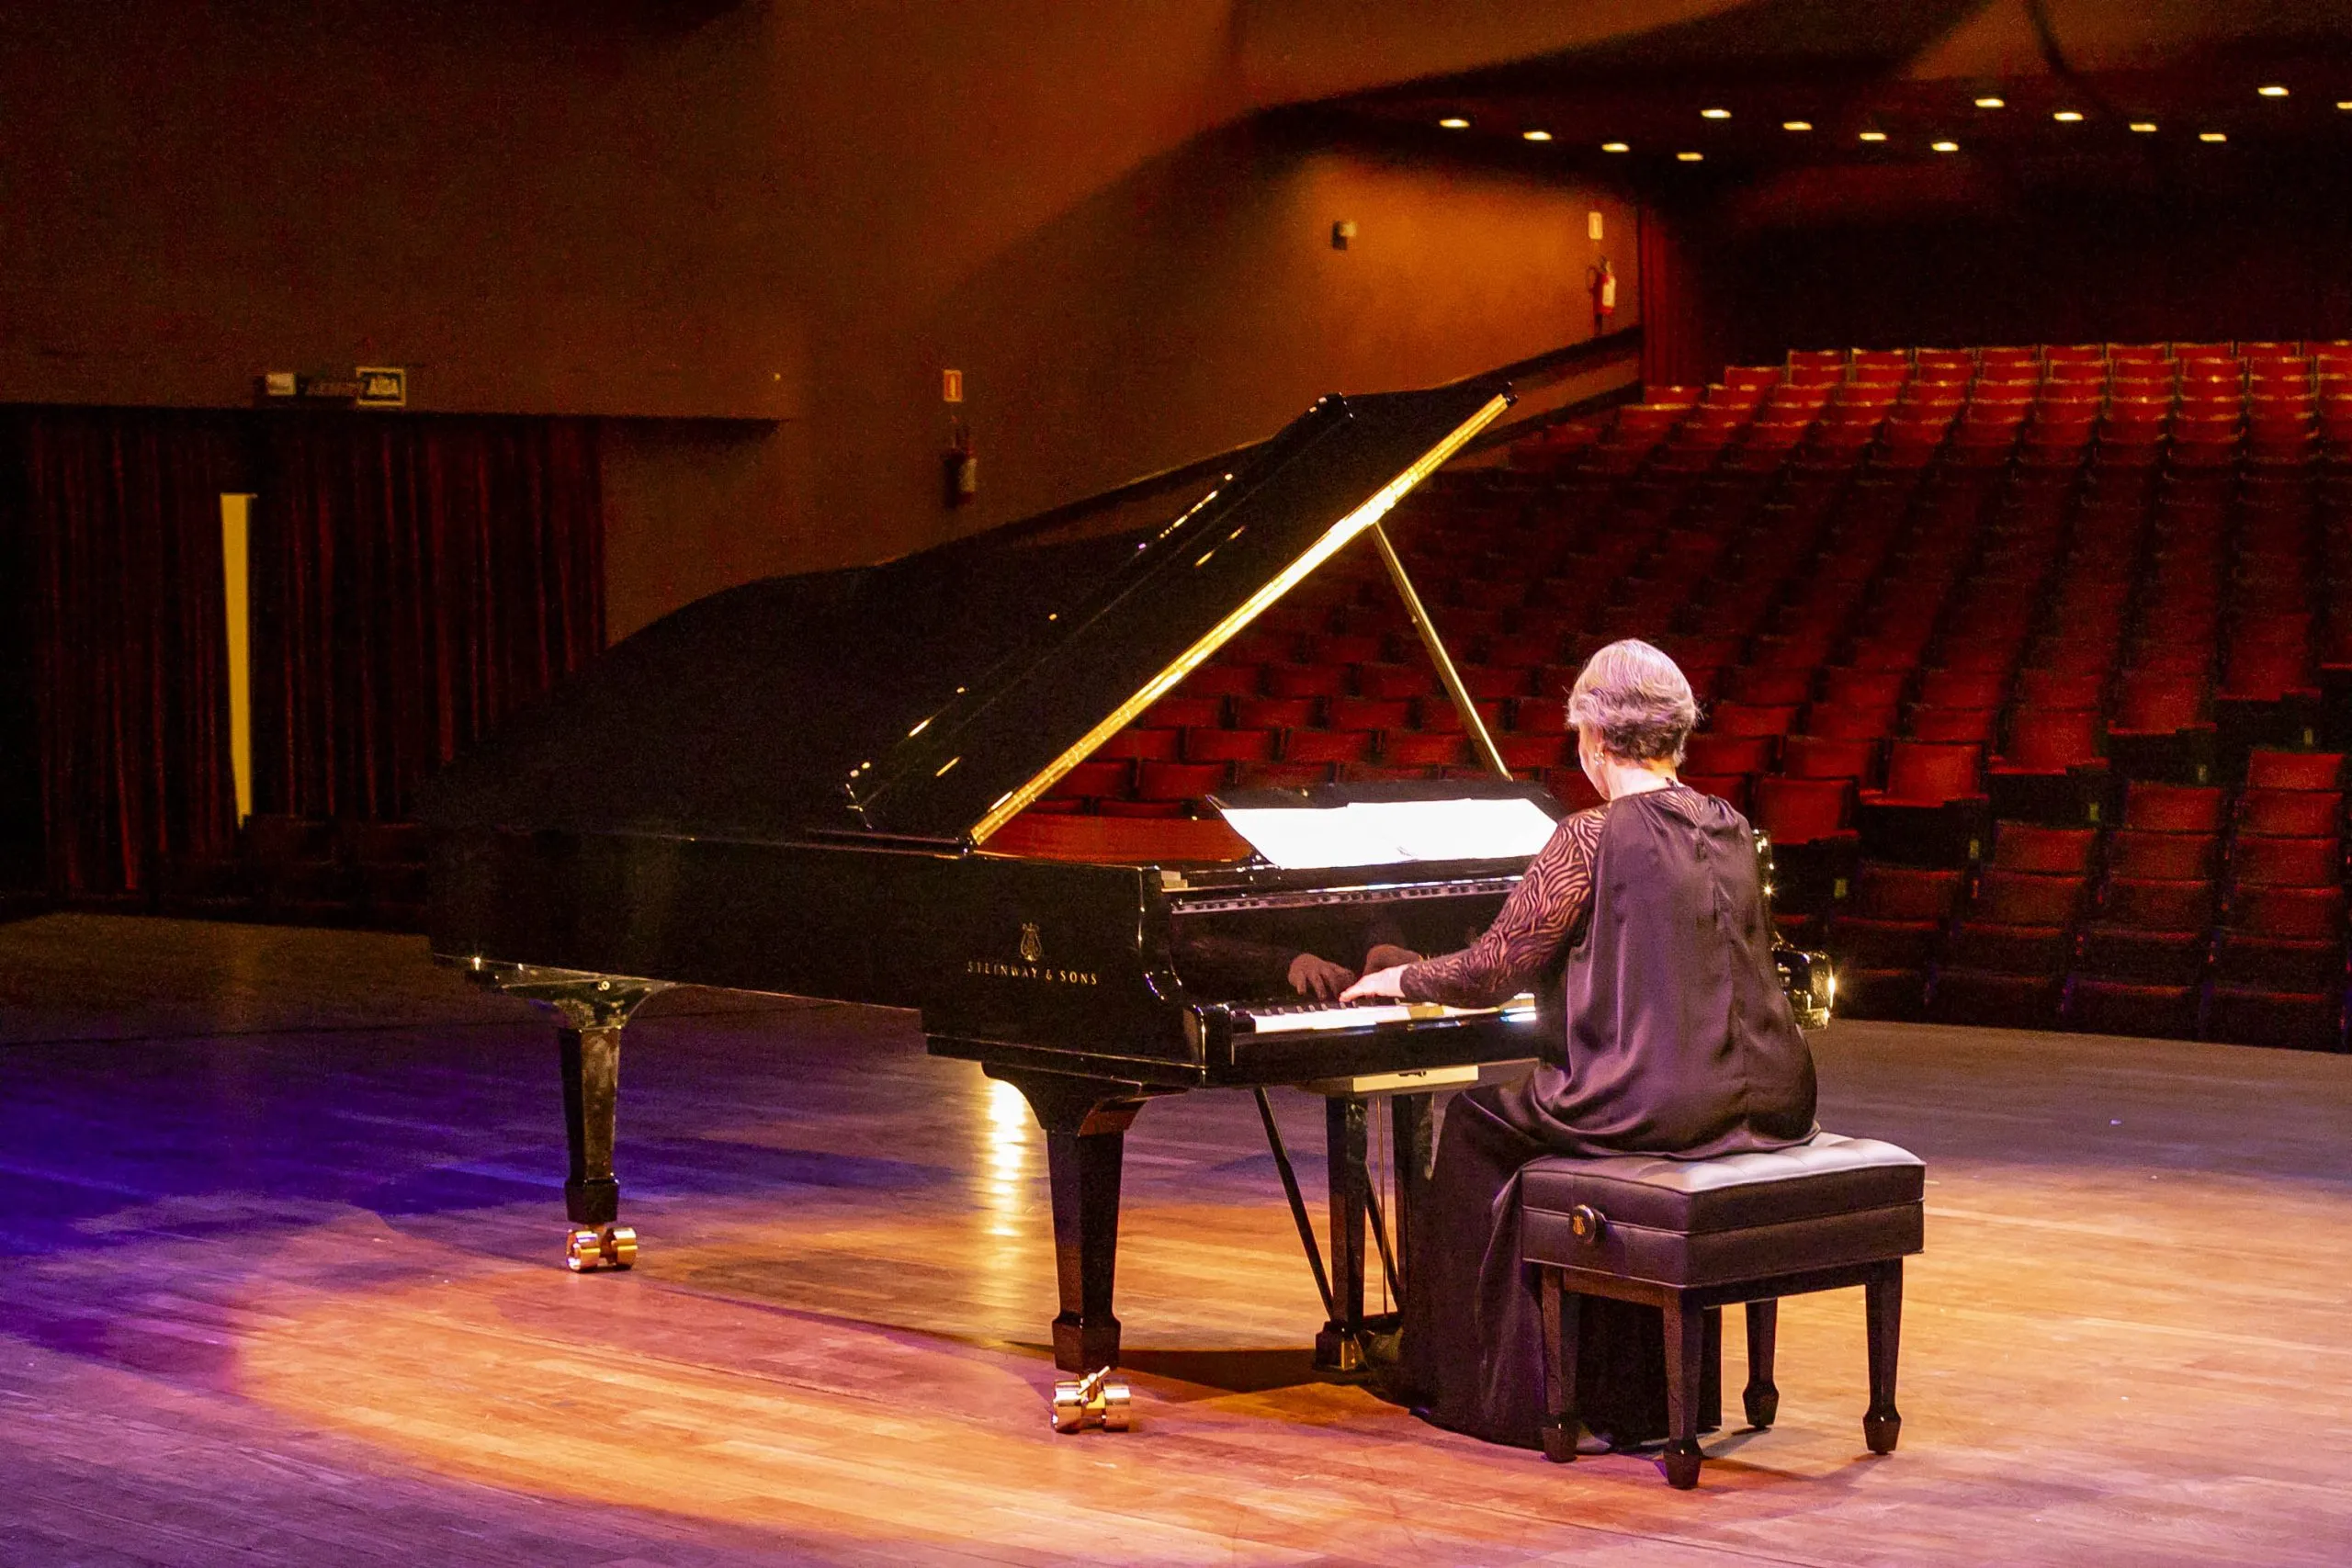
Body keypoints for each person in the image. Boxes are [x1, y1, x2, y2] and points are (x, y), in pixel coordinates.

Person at [1340, 638, 1818, 1450]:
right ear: (1677, 736)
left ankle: (1475, 1379)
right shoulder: (1733, 827)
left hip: (1646, 1102)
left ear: (1593, 739)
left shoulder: (1588, 837)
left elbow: (1496, 968)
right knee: (1520, 1127)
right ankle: (1623, 1381)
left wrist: (1403, 978)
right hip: (1768, 1096)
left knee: (1473, 1126)